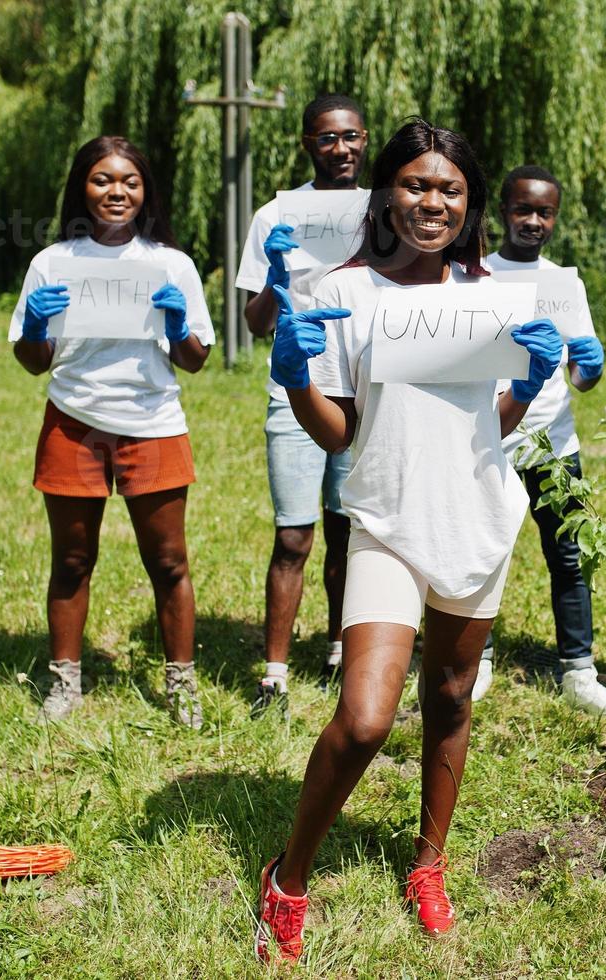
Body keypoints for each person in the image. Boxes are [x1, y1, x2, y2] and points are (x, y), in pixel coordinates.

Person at [253, 120, 564, 964]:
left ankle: (428, 864)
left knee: (453, 700)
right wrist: (292, 378)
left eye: (451, 190)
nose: (433, 201)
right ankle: (287, 878)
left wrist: (530, 386)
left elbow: (490, 423)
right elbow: (338, 437)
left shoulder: (492, 294)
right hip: (386, 522)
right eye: (418, 185)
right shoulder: (345, 292)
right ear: (388, 192)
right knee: (363, 718)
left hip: (475, 516)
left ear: (470, 206)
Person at [10, 136, 214, 728]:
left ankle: (180, 684)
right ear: (82, 187)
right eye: (102, 179)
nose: (116, 191)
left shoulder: (171, 264)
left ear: (145, 190)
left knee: (170, 561)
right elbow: (32, 359)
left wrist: (178, 325)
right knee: (72, 560)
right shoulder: (52, 262)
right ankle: (64, 682)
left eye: (129, 180)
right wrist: (36, 325)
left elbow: (196, 358)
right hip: (73, 421)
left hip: (152, 425)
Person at [479, 165, 606, 716]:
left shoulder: (564, 284)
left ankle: (579, 673)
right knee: (483, 553)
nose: (534, 221)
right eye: (523, 209)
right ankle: (477, 661)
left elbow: (580, 376)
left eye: (545, 212)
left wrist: (591, 367)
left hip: (554, 443)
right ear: (502, 211)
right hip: (487, 437)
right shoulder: (474, 275)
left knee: (569, 557)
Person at [235, 94, 369, 717]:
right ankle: (274, 676)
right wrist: (276, 271)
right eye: (326, 139)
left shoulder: (385, 209)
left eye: (350, 137)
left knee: (348, 529)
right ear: (307, 144)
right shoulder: (274, 215)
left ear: (364, 140)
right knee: (294, 534)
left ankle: (343, 650)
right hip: (292, 386)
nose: (339, 149)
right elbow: (256, 320)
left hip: (363, 387)